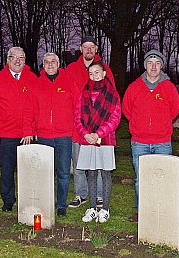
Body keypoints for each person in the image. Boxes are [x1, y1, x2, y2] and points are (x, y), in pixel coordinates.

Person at [122, 50, 179, 222]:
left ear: (161, 66)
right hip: (139, 142)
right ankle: (142, 211)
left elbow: (174, 110)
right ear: (145, 65)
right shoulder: (134, 87)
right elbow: (127, 109)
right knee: (141, 180)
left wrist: (159, 125)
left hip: (162, 141)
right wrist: (140, 125)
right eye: (150, 62)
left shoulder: (168, 87)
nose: (153, 66)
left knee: (162, 179)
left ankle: (161, 210)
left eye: (157, 63)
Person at [22, 52, 79, 217]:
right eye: (46, 62)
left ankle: (61, 204)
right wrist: (27, 131)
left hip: (64, 136)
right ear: (43, 65)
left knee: (62, 172)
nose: (50, 64)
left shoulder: (69, 82)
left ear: (58, 64)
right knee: (44, 171)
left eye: (53, 62)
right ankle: (45, 200)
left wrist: (76, 130)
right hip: (44, 135)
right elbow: (28, 110)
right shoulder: (36, 84)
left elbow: (77, 107)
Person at [0, 46, 37, 212]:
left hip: (27, 135)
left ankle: (29, 198)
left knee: (29, 170)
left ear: (25, 60)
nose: (17, 60)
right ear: (7, 60)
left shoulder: (32, 79)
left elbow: (37, 106)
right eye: (14, 57)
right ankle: (8, 200)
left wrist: (33, 130)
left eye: (21, 58)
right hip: (6, 134)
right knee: (7, 171)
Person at [66, 35, 115, 209]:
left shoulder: (105, 68)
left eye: (91, 47)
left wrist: (99, 131)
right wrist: (82, 128)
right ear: (81, 49)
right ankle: (81, 194)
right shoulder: (71, 69)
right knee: (79, 163)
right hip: (79, 126)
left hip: (100, 129)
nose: (88, 50)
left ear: (96, 49)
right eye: (85, 47)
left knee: (99, 166)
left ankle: (100, 196)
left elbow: (112, 101)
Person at [74, 61, 121, 223]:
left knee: (105, 174)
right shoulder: (84, 93)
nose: (94, 76)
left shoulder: (112, 94)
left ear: (104, 73)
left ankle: (105, 209)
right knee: (91, 173)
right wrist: (86, 134)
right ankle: (92, 208)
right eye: (91, 73)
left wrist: (98, 134)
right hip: (88, 140)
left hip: (105, 140)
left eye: (97, 72)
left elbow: (115, 118)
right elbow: (77, 116)